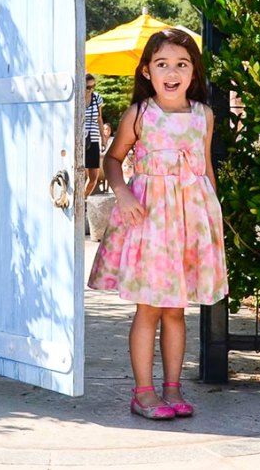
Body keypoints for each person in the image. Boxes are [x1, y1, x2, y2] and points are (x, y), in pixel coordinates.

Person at [87, 28, 228, 421]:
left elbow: (205, 169)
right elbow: (113, 160)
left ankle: (173, 389)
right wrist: (123, 194)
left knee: (176, 312)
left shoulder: (204, 115)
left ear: (193, 72)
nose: (172, 71)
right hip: (150, 222)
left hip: (188, 224)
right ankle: (143, 392)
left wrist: (212, 218)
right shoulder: (141, 113)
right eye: (162, 64)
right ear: (147, 71)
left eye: (181, 64)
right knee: (149, 308)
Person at [83, 73, 105, 197]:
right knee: (80, 174)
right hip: (80, 139)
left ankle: (82, 200)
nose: (91, 90)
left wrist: (103, 138)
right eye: (88, 87)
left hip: (94, 138)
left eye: (93, 86)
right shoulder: (77, 98)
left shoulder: (97, 98)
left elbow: (99, 119)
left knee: (93, 178)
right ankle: (77, 204)